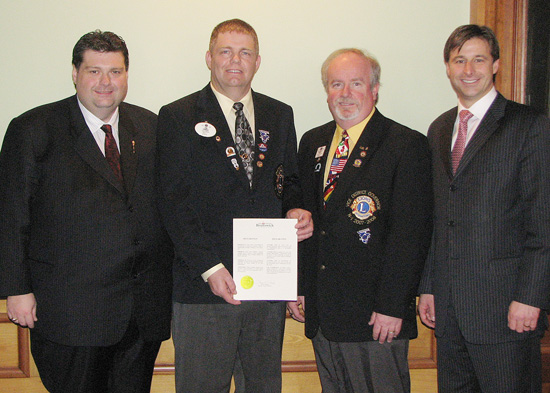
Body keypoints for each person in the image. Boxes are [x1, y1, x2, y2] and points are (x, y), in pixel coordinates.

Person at [0, 30, 173, 392]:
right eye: (94, 71)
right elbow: (11, 214)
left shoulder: (151, 127)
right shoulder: (33, 130)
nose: (105, 82)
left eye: (116, 71)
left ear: (127, 75)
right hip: (70, 313)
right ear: (75, 73)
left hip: (140, 315)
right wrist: (15, 289)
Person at [156, 19, 313, 393]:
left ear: (258, 61)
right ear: (209, 58)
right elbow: (172, 202)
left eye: (245, 53)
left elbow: (287, 180)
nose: (234, 61)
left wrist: (295, 209)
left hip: (265, 286)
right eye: (225, 51)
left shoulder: (280, 114)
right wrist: (210, 269)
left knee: (262, 386)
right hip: (203, 288)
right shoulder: (177, 116)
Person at [288, 48, 433, 392]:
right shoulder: (313, 142)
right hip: (323, 314)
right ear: (327, 92)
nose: (345, 93)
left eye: (356, 83)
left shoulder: (405, 145)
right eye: (337, 84)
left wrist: (392, 306)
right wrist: (298, 286)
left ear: (375, 89)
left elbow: (410, 235)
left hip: (375, 317)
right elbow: (309, 222)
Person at [418, 24, 550, 392]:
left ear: (496, 65)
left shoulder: (529, 126)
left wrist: (530, 297)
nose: (469, 70)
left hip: (507, 309)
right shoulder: (440, 129)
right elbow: (438, 218)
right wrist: (428, 286)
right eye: (459, 60)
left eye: (479, 59)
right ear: (448, 67)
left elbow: (544, 221)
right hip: (449, 310)